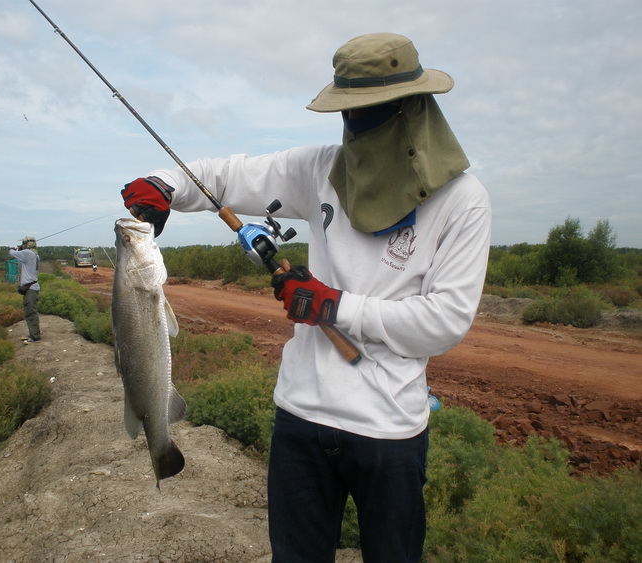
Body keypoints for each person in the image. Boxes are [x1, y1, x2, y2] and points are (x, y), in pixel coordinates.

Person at [121, 32, 491, 562]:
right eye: (348, 111)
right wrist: (162, 183)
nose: (355, 125)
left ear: (413, 106)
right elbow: (220, 177)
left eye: (370, 110)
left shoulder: (462, 201)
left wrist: (334, 305)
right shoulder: (320, 169)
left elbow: (446, 321)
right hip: (299, 419)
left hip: (389, 431)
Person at [9, 236, 41, 343]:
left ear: (27, 243)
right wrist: (20, 250)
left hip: (30, 288)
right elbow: (21, 263)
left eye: (23, 242)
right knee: (30, 312)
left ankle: (35, 336)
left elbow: (11, 253)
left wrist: (13, 249)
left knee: (30, 313)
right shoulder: (34, 255)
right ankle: (33, 333)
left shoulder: (28, 253)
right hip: (31, 287)